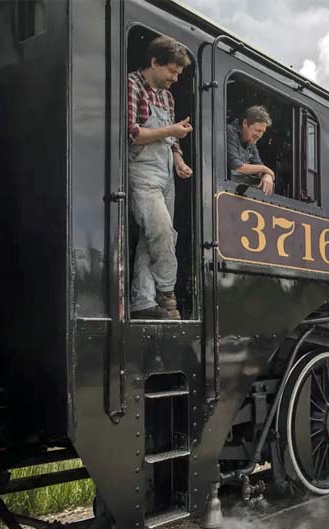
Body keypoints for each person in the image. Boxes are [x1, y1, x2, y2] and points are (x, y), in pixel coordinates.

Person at [127, 35, 193, 320]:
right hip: (142, 168)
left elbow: (172, 138)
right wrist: (171, 132)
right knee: (162, 231)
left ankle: (142, 301)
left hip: (166, 169)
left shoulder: (166, 97)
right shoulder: (132, 85)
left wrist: (178, 159)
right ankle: (167, 293)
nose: (176, 79)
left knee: (150, 237)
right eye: (172, 71)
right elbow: (132, 134)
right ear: (155, 62)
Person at [227, 105, 275, 195]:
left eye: (262, 132)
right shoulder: (229, 132)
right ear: (245, 123)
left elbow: (258, 165)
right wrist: (266, 169)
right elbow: (236, 166)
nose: (260, 135)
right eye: (258, 130)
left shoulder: (252, 142)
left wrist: (267, 176)